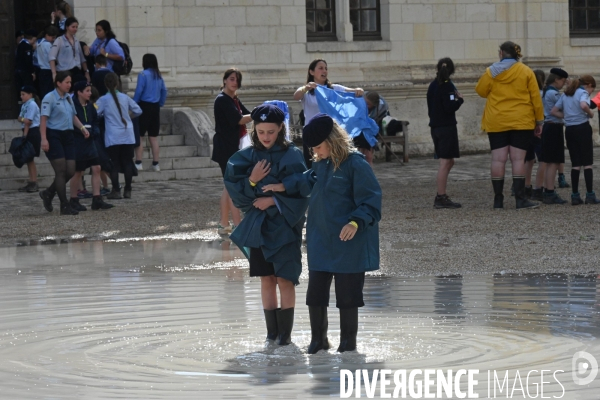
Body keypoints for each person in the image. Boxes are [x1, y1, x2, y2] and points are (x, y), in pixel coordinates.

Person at [269, 114, 381, 354]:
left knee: (348, 296)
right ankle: (318, 340)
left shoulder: (356, 164)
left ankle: (348, 345)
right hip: (320, 239)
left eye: (319, 147)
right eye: (313, 149)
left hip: (348, 240)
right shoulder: (320, 163)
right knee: (316, 294)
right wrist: (284, 185)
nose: (316, 153)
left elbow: (372, 200)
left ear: (332, 140)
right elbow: (307, 179)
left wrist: (355, 222)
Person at [224, 104, 309, 345]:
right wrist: (252, 181)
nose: (266, 137)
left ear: (281, 128)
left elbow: (304, 191)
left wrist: (274, 200)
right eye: (261, 132)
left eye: (271, 132)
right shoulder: (248, 156)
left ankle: (286, 336)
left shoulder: (292, 155)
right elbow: (238, 194)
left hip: (284, 227)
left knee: (285, 278)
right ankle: (271, 333)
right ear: (254, 130)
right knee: (266, 278)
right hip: (260, 228)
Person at [475, 41, 544, 210]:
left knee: (498, 159)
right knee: (518, 159)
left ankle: (498, 200)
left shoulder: (491, 72)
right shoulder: (526, 71)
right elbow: (535, 98)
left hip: (497, 120)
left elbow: (481, 91)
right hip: (521, 120)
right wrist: (539, 121)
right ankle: (520, 199)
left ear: (501, 53)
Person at [293, 59, 364, 167]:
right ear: (311, 72)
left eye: (326, 68)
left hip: (330, 133)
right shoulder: (307, 91)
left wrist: (358, 90)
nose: (324, 71)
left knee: (332, 163)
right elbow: (296, 96)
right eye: (320, 68)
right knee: (312, 164)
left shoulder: (333, 89)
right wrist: (306, 87)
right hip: (312, 132)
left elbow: (351, 91)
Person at [39, 71, 91, 215]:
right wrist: (44, 138)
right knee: (60, 171)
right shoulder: (49, 98)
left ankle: (48, 193)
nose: (69, 85)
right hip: (54, 135)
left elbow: (73, 116)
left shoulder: (68, 98)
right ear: (58, 83)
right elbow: (43, 119)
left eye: (70, 82)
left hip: (68, 136)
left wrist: (82, 128)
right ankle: (64, 205)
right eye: (67, 82)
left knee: (70, 170)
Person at [211, 68, 252, 234]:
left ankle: (224, 223)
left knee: (228, 186)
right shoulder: (222, 100)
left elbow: (247, 114)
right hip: (226, 147)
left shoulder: (233, 99)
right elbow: (240, 119)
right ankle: (237, 225)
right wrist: (261, 112)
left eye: (237, 80)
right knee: (232, 186)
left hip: (232, 146)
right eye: (232, 79)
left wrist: (257, 112)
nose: (235, 82)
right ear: (225, 80)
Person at [551, 75, 599, 205]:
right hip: (582, 128)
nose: (590, 93)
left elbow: (554, 111)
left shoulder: (565, 94)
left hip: (570, 130)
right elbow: (584, 105)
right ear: (588, 85)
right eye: (591, 90)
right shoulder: (582, 93)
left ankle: (575, 195)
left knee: (576, 164)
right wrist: (590, 113)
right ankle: (590, 195)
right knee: (587, 163)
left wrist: (566, 117)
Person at [69, 81, 114, 211]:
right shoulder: (73, 106)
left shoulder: (90, 107)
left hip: (91, 141)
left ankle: (97, 198)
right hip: (78, 141)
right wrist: (81, 132)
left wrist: (94, 132)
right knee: (78, 171)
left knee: (97, 168)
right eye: (87, 91)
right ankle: (73, 199)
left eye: (90, 90)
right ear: (79, 92)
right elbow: (71, 121)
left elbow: (95, 121)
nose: (90, 93)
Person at [97, 72, 142, 200]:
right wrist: (128, 117)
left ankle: (116, 189)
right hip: (127, 133)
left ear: (105, 85)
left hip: (113, 135)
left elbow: (95, 113)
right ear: (117, 83)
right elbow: (138, 110)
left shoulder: (103, 100)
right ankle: (128, 189)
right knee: (127, 162)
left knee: (114, 164)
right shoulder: (125, 97)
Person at [426, 57, 464, 209]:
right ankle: (440, 196)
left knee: (449, 161)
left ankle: (442, 194)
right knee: (445, 161)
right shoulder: (447, 86)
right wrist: (459, 100)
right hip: (445, 127)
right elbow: (449, 107)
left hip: (436, 126)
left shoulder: (433, 85)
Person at [133, 54, 168, 171]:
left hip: (144, 105)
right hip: (155, 107)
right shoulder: (158, 75)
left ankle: (138, 162)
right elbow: (164, 90)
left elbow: (139, 91)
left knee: (140, 135)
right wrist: (161, 103)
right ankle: (155, 163)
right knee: (153, 137)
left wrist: (134, 103)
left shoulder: (142, 74)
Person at [540, 68, 569, 205]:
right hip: (553, 126)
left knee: (550, 161)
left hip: (549, 126)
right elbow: (563, 108)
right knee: (554, 162)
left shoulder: (547, 91)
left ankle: (547, 190)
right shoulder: (554, 94)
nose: (563, 83)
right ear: (556, 79)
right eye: (563, 81)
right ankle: (550, 192)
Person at [523, 69, 547, 201]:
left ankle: (526, 186)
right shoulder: (542, 94)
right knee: (543, 159)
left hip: (527, 127)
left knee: (529, 159)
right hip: (539, 127)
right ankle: (538, 188)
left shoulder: (527, 94)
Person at [48, 17, 91, 84]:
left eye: (76, 27)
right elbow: (51, 57)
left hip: (77, 70)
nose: (75, 29)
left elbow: (82, 58)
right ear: (67, 27)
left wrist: (86, 72)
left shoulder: (76, 40)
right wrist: (54, 73)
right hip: (64, 71)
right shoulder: (59, 40)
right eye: (73, 27)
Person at [17, 86, 41, 193]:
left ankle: (34, 182)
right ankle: (31, 181)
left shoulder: (32, 104)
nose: (21, 96)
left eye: (24, 94)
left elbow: (28, 121)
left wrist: (25, 136)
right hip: (27, 131)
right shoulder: (25, 105)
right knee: (28, 159)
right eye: (21, 94)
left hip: (32, 132)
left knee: (30, 158)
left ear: (30, 94)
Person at [36, 26, 59, 98]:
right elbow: (52, 56)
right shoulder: (47, 45)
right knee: (49, 92)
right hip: (48, 70)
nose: (53, 39)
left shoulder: (38, 42)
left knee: (44, 92)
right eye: (52, 37)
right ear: (47, 35)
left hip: (42, 70)